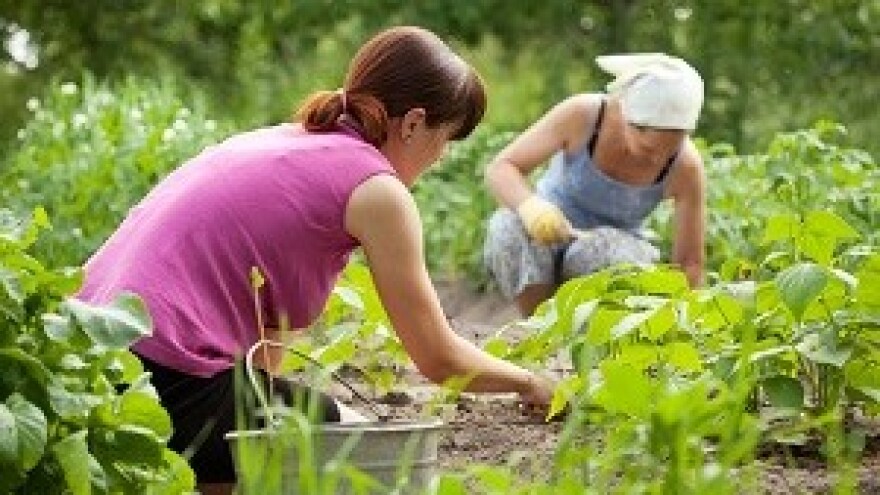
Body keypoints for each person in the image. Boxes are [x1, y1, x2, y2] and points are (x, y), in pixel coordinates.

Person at [77, 26, 554, 494]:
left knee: (269, 439)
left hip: (90, 353)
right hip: (166, 373)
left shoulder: (291, 141)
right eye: (445, 139)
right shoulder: (377, 191)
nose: (442, 157)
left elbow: (266, 341)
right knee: (360, 454)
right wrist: (529, 382)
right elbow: (436, 355)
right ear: (412, 123)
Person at [484, 53, 706, 316]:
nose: (657, 158)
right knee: (508, 228)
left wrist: (681, 317)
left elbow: (689, 262)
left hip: (612, 254)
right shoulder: (583, 117)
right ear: (626, 119)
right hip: (548, 235)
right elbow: (502, 168)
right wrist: (531, 207)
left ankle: (592, 335)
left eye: (670, 150)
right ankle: (539, 328)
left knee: (592, 251)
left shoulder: (686, 167)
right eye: (647, 149)